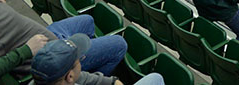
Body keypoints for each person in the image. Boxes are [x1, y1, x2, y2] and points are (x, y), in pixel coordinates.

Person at [30, 34, 164, 85]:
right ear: (70, 76)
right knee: (156, 79)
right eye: (79, 60)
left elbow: (100, 80)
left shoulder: (49, 79)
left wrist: (114, 82)